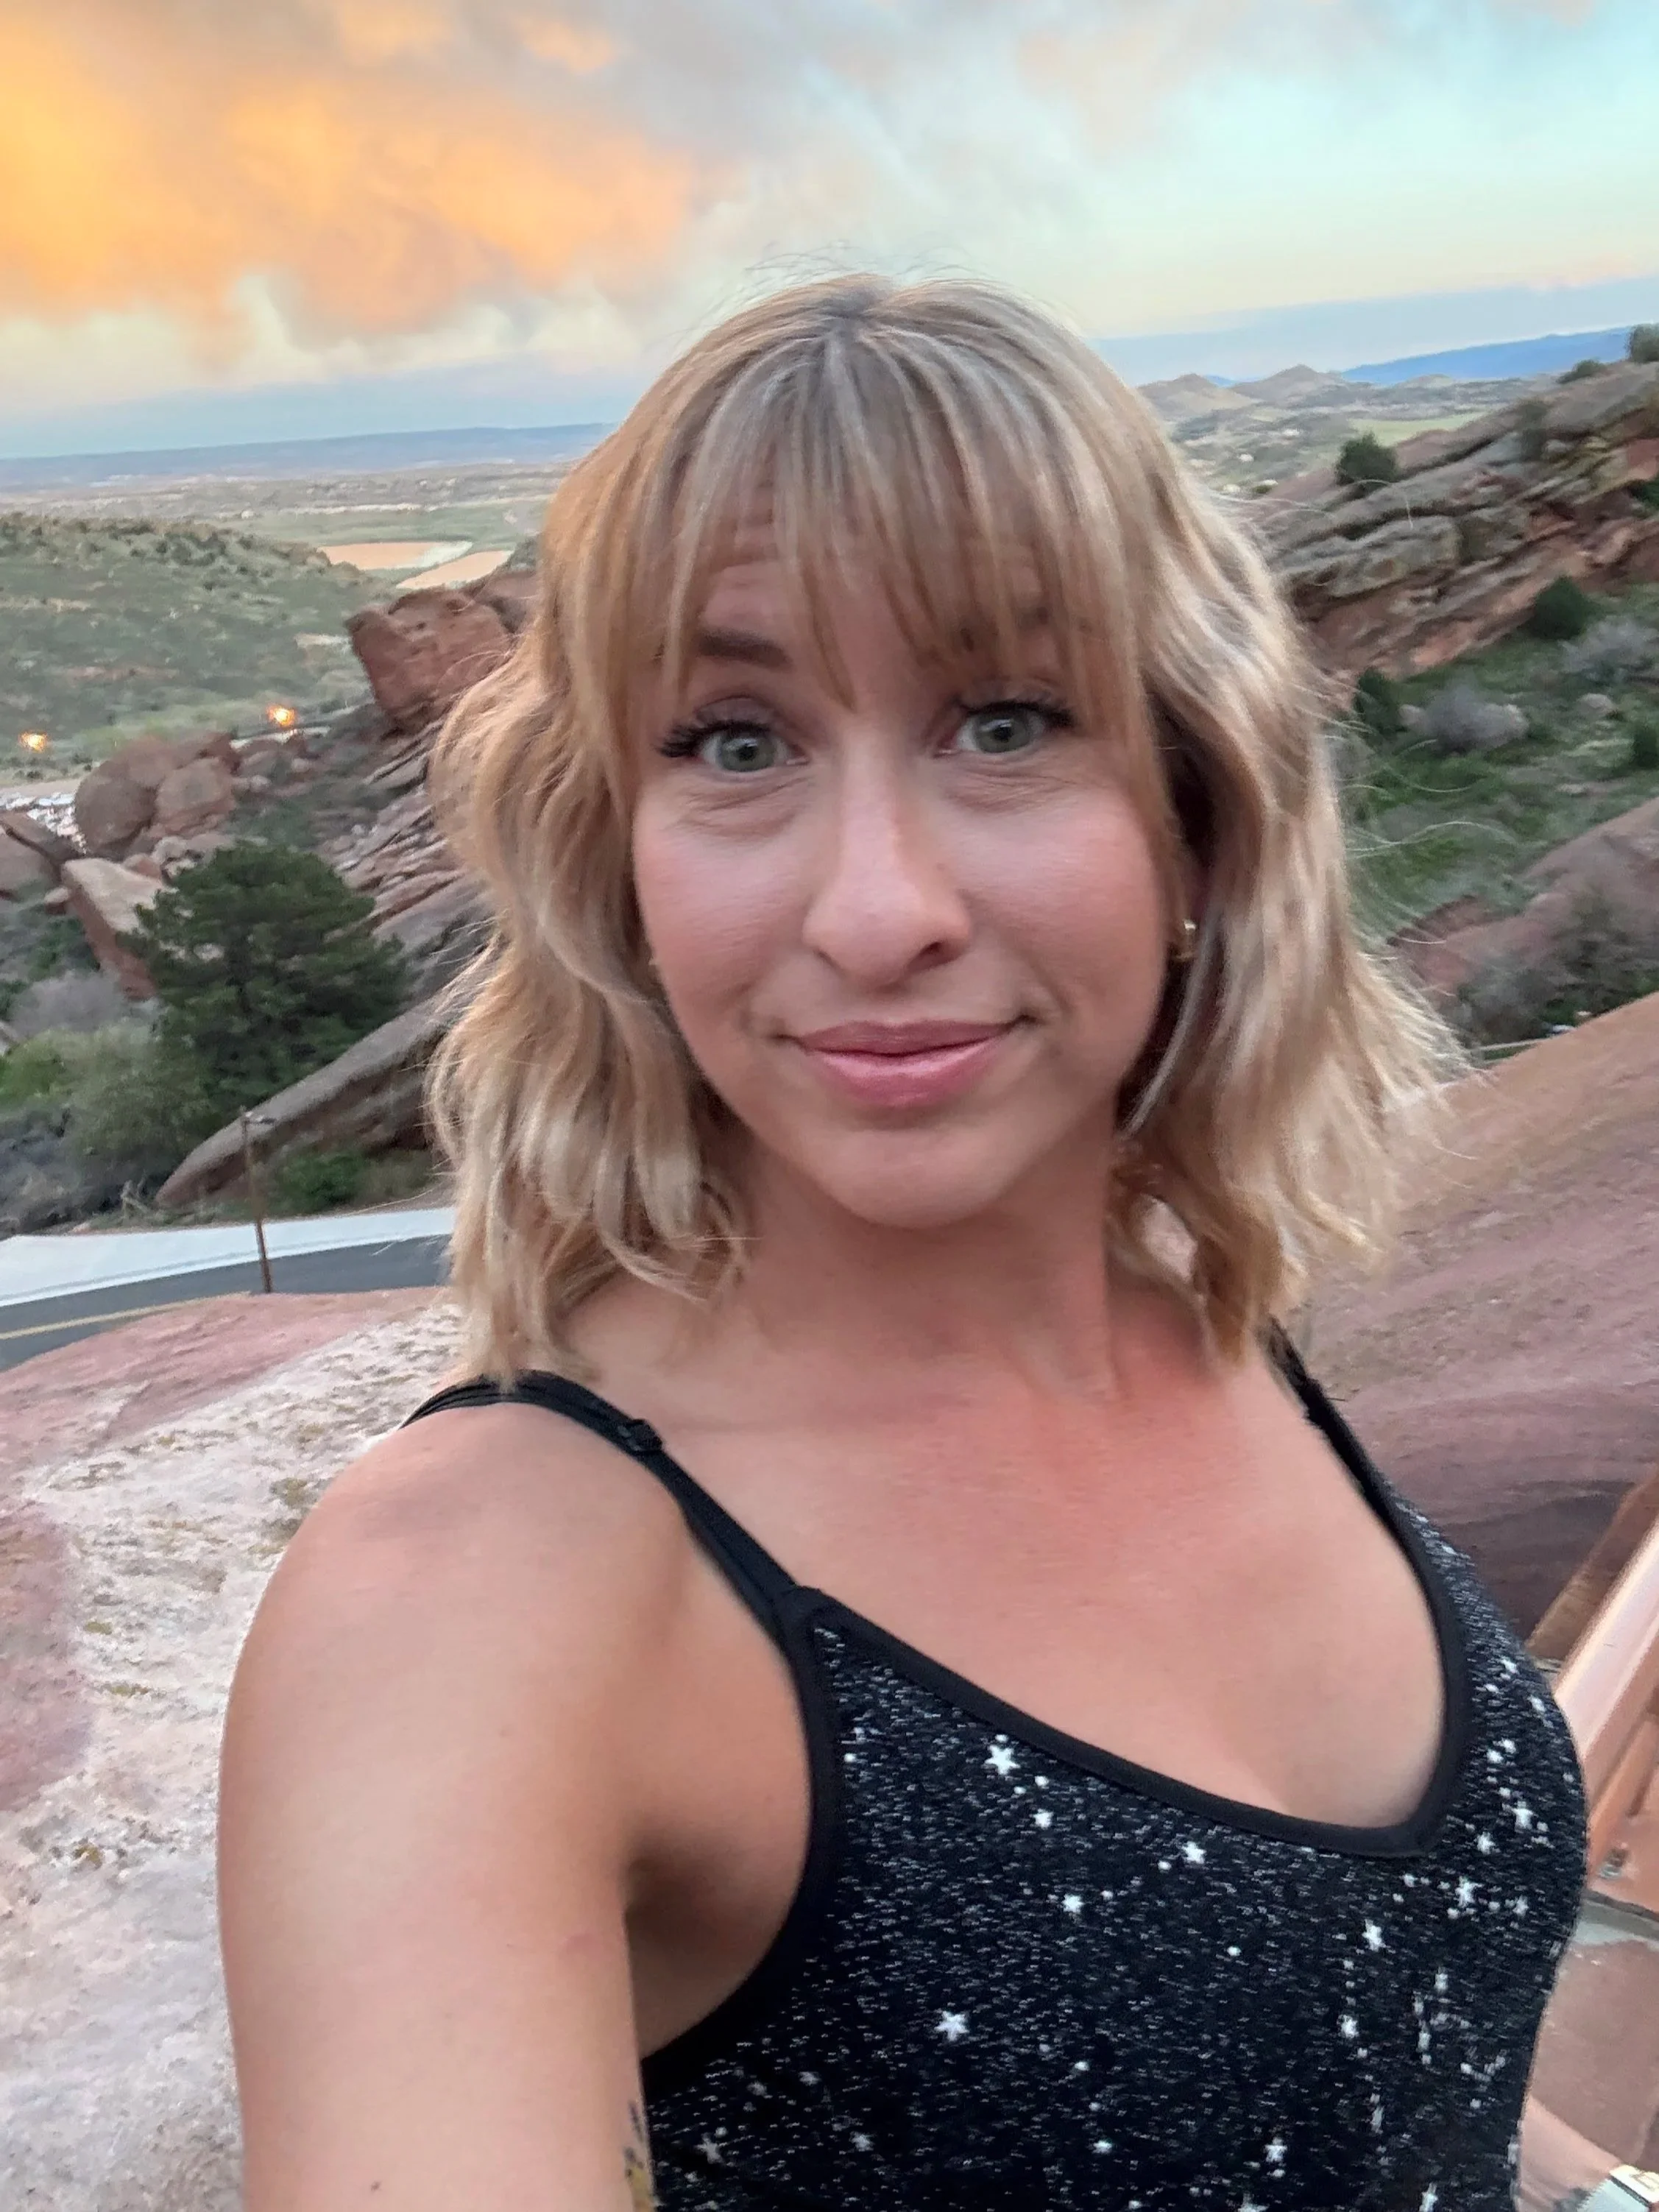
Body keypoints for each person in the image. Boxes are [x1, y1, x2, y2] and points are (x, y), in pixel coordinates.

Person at [220, 275, 1619, 2211]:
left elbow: (1406, 2034)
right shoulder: (478, 1605)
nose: (877, 908)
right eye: (731, 739)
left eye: (1007, 719)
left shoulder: (1206, 1328)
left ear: (1196, 815)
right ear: (613, 858)